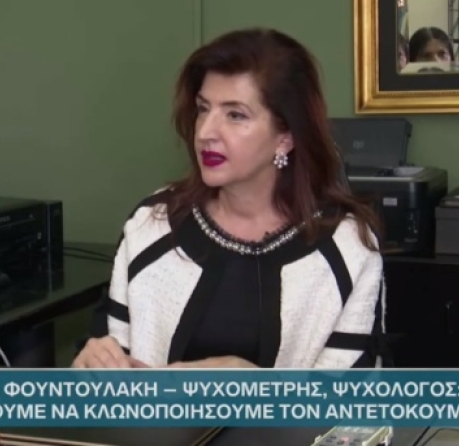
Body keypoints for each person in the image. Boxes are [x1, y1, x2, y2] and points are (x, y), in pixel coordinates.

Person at [72, 28, 388, 370]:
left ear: (286, 137)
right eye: (203, 109)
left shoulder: (348, 248)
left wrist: (251, 388)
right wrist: (87, 371)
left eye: (235, 115)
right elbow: (107, 370)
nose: (206, 132)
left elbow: (356, 399)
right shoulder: (151, 225)